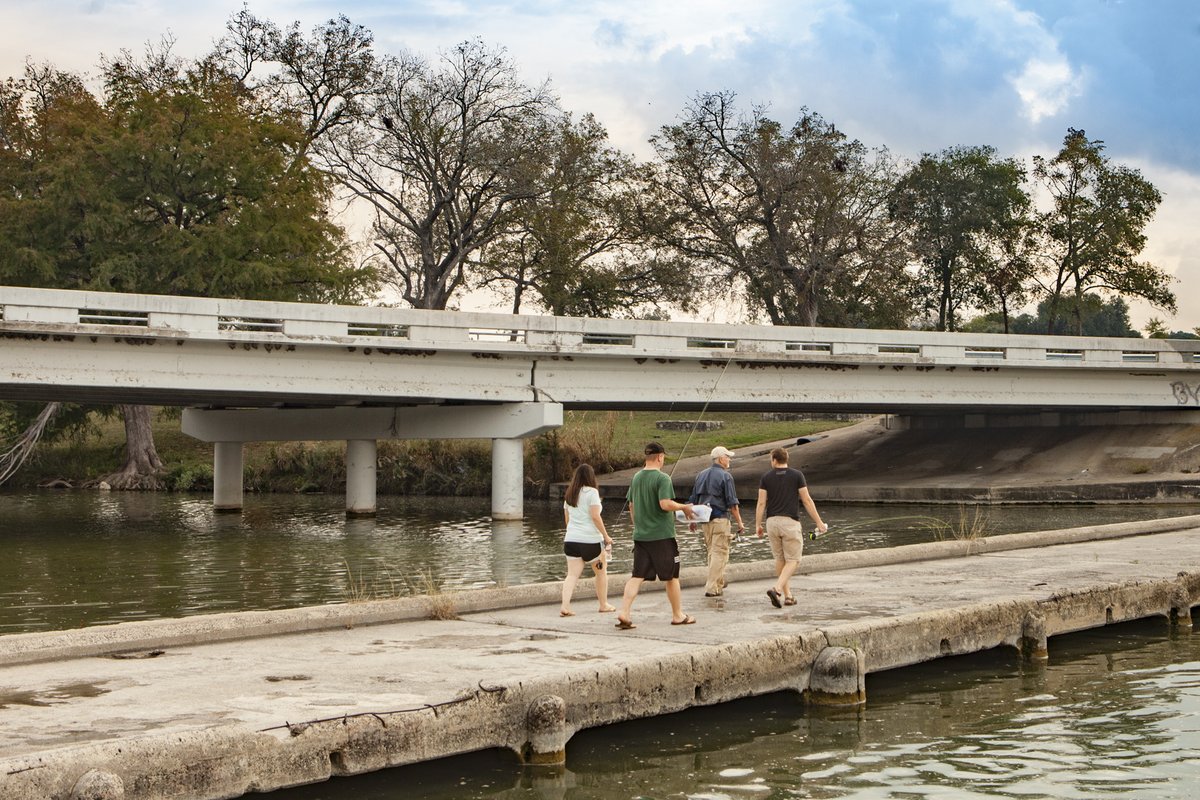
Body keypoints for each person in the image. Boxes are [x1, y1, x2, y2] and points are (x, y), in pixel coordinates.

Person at [615, 442, 696, 629]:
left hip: (641, 536)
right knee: (672, 576)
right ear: (660, 457)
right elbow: (665, 504)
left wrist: (638, 526)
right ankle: (678, 615)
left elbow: (631, 505)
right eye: (663, 457)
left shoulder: (636, 477)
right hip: (662, 536)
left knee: (637, 576)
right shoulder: (663, 478)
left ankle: (624, 612)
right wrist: (683, 506)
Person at [755, 446, 827, 608]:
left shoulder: (766, 477)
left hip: (772, 522)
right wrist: (819, 522)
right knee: (794, 560)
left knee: (780, 559)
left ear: (774, 460)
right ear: (786, 459)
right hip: (790, 522)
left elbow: (761, 503)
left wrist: (758, 524)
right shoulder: (797, 476)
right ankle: (778, 589)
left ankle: (788, 596)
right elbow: (807, 500)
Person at [688, 445, 746, 597]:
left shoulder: (700, 475)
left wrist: (692, 521)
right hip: (720, 519)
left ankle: (718, 583)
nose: (729, 460)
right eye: (728, 457)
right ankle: (712, 587)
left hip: (704, 521)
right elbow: (732, 504)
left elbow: (693, 501)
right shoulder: (726, 476)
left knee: (712, 553)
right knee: (720, 553)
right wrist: (740, 523)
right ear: (721, 459)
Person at [560, 463, 616, 617]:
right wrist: (606, 536)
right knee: (601, 573)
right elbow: (595, 517)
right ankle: (603, 604)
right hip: (591, 543)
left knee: (571, 575)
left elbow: (567, 519)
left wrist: (573, 533)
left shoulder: (570, 494)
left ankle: (565, 606)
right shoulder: (592, 493)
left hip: (571, 541)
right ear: (591, 477)